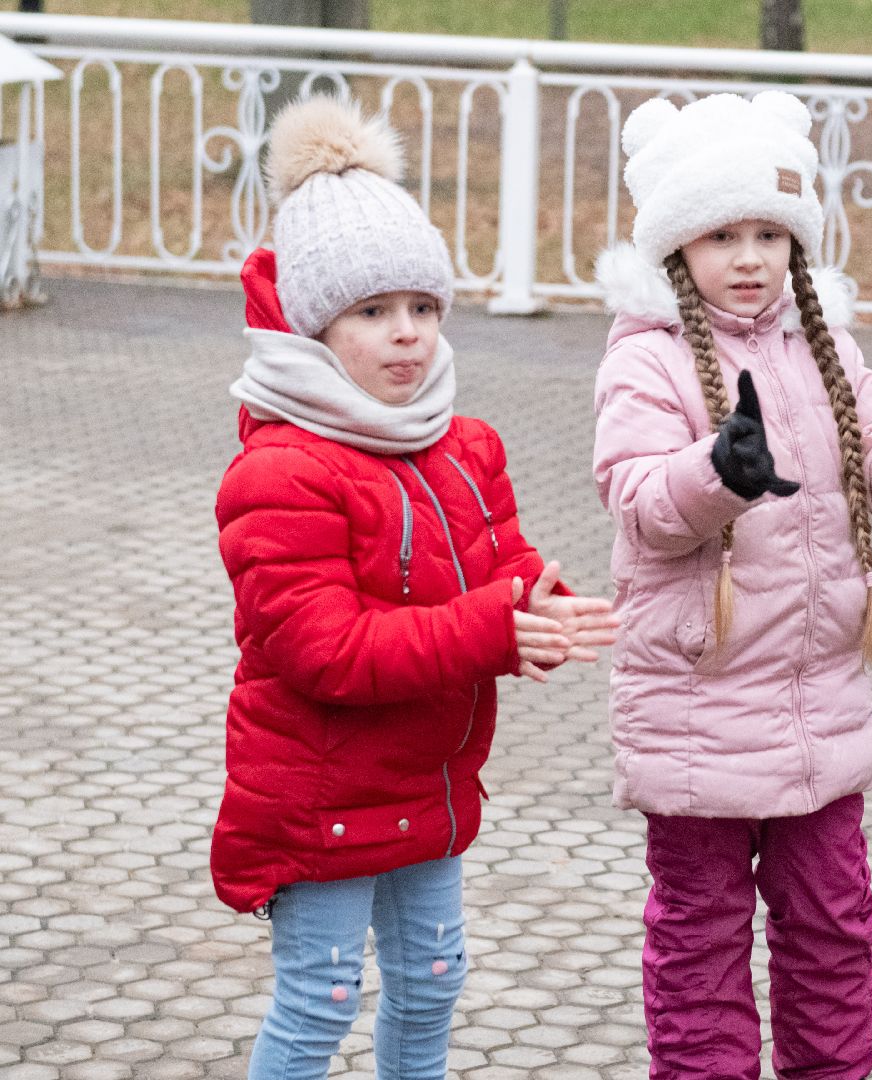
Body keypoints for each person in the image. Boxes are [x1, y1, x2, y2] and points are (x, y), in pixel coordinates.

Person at [591, 90, 872, 1079]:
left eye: (770, 233)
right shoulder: (647, 358)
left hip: (820, 707)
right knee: (700, 944)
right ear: (676, 242)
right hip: (696, 714)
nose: (750, 258)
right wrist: (715, 472)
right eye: (722, 234)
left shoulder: (821, 345)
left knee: (834, 929)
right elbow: (640, 500)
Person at [211, 96, 617, 1079]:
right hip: (320, 796)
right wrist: (495, 628)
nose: (408, 336)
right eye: (373, 312)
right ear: (314, 327)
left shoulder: (463, 444)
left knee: (434, 983)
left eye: (423, 309)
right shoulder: (280, 472)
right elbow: (328, 651)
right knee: (319, 1002)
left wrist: (540, 601)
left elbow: (499, 562)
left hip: (427, 781)